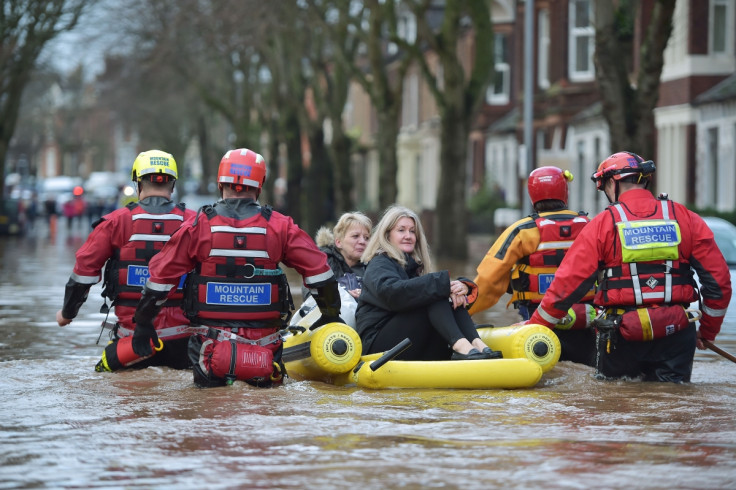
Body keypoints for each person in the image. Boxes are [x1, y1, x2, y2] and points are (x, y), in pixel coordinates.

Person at [131, 148, 343, 388]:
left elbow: (160, 279)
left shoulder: (198, 226)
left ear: (220, 184)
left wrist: (144, 323)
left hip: (210, 351)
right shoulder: (280, 226)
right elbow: (320, 273)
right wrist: (330, 315)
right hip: (265, 351)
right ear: (260, 186)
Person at [529, 151, 732, 382]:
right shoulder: (686, 218)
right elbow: (719, 283)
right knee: (672, 404)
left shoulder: (602, 224)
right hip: (676, 332)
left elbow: (567, 285)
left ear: (612, 183)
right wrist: (707, 331)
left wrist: (537, 326)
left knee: (619, 406)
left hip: (620, 336)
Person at [56, 150, 196, 372]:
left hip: (132, 343)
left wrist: (67, 314)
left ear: (138, 182)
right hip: (185, 343)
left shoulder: (115, 222)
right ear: (172, 184)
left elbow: (84, 272)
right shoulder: (196, 222)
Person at [468, 167, 597, 365]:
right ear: (565, 193)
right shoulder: (591, 225)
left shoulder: (523, 230)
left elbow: (489, 279)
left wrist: (465, 311)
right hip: (587, 316)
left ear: (532, 197)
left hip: (538, 317)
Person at [355, 204, 502, 361]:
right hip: (378, 344)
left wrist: (461, 287)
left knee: (442, 294)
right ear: (387, 235)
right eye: (401, 230)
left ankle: (477, 345)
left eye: (412, 231)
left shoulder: (412, 267)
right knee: (434, 292)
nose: (408, 235)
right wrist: (442, 285)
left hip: (409, 339)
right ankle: (462, 348)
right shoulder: (379, 262)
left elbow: (430, 294)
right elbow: (393, 294)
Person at [314, 211, 372, 299]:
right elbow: (310, 295)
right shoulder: (323, 262)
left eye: (366, 238)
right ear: (338, 242)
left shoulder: (373, 266)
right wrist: (343, 296)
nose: (362, 242)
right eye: (355, 236)